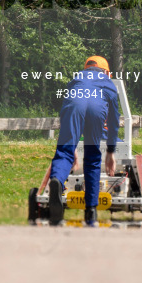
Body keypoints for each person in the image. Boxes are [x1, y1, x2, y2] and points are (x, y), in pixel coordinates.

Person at [47, 56, 119, 226]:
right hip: (96, 108)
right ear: (107, 72)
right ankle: (91, 211)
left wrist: (71, 147)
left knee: (64, 152)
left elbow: (66, 110)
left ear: (86, 68)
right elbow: (114, 121)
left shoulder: (76, 78)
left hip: (74, 105)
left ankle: (57, 180)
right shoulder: (108, 83)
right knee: (93, 157)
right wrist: (110, 151)